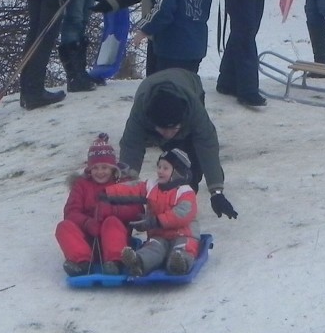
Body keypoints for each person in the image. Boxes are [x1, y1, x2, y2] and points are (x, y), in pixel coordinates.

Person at [118, 68, 238, 220]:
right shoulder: (141, 111)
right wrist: (125, 191)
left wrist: (216, 192)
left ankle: (184, 198)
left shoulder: (193, 109)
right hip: (152, 94)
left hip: (189, 83)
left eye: (173, 129)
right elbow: (131, 147)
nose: (168, 135)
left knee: (192, 161)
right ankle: (169, 197)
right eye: (163, 130)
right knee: (171, 158)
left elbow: (207, 145)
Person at [54, 133, 144, 276]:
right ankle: (82, 262)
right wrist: (87, 222)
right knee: (63, 226)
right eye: (95, 168)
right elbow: (71, 212)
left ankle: (115, 262)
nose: (100, 172)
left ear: (113, 168)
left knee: (111, 221)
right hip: (88, 241)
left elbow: (136, 210)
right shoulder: (81, 186)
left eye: (104, 167)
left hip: (116, 240)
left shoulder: (121, 185)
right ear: (89, 169)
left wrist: (113, 210)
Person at [105, 148, 199, 276]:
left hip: (183, 235)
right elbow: (132, 189)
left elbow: (182, 214)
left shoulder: (185, 192)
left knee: (183, 248)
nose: (160, 171)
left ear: (177, 172)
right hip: (159, 235)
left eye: (165, 168)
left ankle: (179, 264)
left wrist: (155, 221)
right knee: (153, 248)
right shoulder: (152, 186)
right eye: (159, 167)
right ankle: (137, 262)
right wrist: (107, 192)